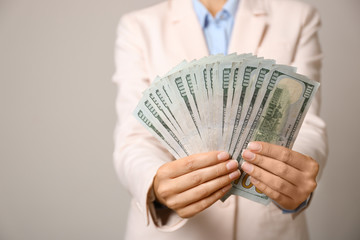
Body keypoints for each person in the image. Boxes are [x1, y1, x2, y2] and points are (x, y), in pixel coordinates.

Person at [112, 0, 328, 239]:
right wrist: (156, 185)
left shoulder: (298, 17)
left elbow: (306, 124)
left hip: (266, 228)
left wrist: (292, 174)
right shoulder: (139, 26)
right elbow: (134, 136)